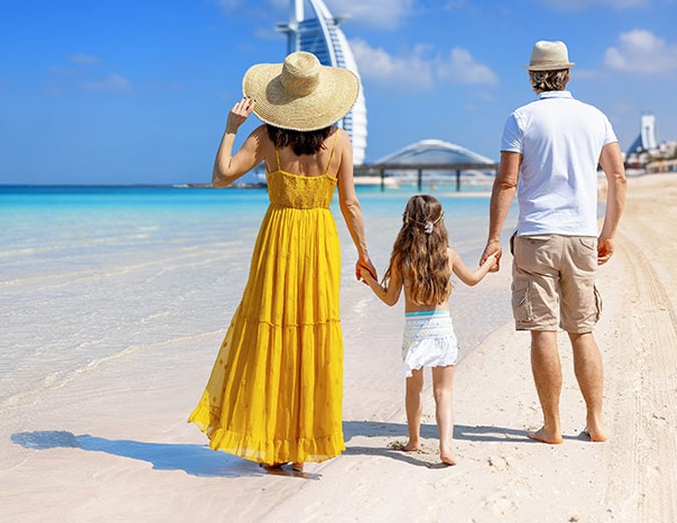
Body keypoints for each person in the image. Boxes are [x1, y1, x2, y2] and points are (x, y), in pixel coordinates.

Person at [188, 51, 376, 473]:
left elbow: (221, 177)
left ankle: (272, 446)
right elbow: (350, 204)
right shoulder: (339, 141)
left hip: (278, 238)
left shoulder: (266, 137)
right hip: (320, 240)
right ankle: (302, 448)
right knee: (311, 335)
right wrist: (364, 254)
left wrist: (230, 129)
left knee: (271, 334)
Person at [481, 40, 627, 444]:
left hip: (536, 237)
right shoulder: (595, 117)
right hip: (581, 237)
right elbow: (618, 178)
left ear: (532, 77)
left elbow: (508, 181)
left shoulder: (521, 118)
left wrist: (494, 238)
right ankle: (596, 422)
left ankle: (553, 426)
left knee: (543, 330)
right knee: (582, 330)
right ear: (568, 73)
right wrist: (607, 234)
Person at [360, 194, 497, 466]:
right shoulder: (448, 255)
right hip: (442, 329)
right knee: (443, 393)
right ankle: (446, 447)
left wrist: (369, 280)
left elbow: (390, 299)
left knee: (413, 390)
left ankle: (414, 440)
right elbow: (471, 280)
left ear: (407, 223)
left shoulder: (403, 258)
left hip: (414, 331)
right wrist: (489, 264)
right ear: (440, 223)